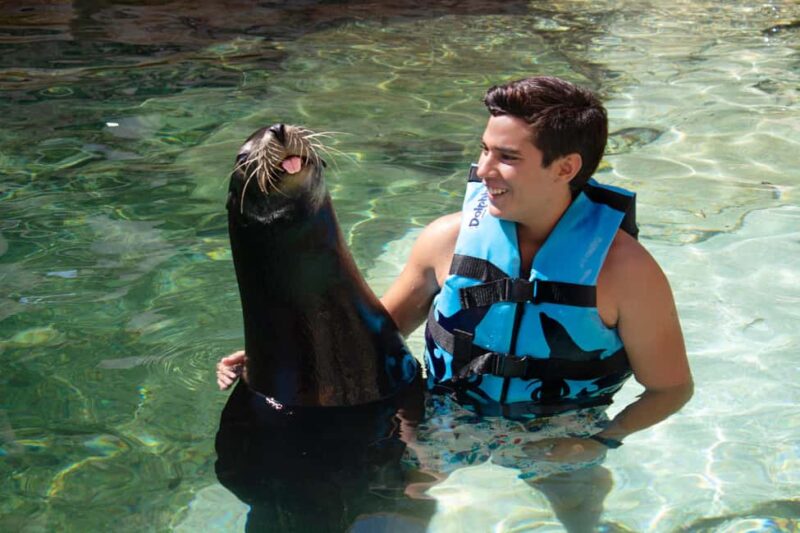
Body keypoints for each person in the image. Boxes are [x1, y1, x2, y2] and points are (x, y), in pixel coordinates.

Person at [217, 76, 693, 528]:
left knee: (580, 513)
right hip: (445, 415)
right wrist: (273, 356)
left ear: (565, 168)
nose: (483, 169)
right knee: (386, 507)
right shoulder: (446, 240)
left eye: (507, 157)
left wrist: (597, 441)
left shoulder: (627, 272)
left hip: (562, 429)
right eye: (485, 149)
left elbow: (671, 389)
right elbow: (377, 334)